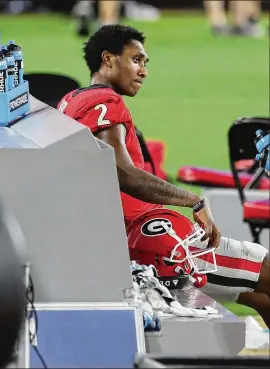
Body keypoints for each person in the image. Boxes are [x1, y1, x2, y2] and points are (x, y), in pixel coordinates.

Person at [57, 24, 270, 327]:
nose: (143, 70)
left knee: (258, 297)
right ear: (108, 59)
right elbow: (122, 172)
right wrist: (193, 199)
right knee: (264, 268)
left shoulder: (70, 100)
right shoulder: (105, 102)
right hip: (152, 239)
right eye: (136, 60)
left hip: (117, 236)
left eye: (145, 63)